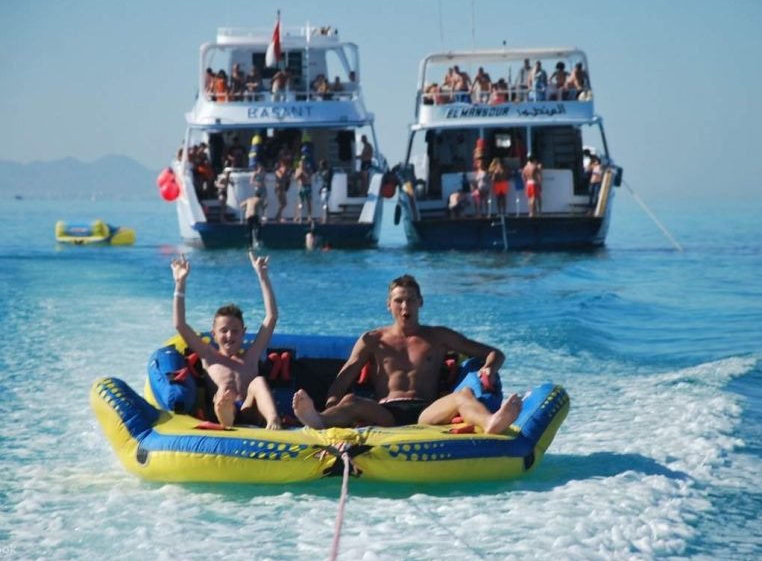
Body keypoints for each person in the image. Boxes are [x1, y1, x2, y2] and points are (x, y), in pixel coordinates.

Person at [291, 275, 522, 431]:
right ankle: (318, 420)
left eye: (410, 300)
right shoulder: (372, 340)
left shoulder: (439, 337)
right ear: (388, 305)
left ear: (420, 302)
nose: (405, 307)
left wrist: (490, 367)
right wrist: (332, 407)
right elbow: (342, 382)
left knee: (464, 395)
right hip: (385, 412)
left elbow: (495, 353)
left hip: (426, 411)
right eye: (398, 301)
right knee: (351, 400)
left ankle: (491, 422)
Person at [171, 252, 281, 429]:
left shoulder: (250, 356)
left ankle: (274, 421)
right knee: (223, 394)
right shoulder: (209, 356)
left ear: (243, 333)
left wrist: (263, 276)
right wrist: (180, 283)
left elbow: (272, 316)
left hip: (249, 410)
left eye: (235, 331)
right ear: (213, 334)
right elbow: (180, 324)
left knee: (258, 382)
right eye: (224, 331)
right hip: (221, 412)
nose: (230, 336)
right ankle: (227, 420)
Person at [294, 156, 313, 222]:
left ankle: (309, 216)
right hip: (301, 187)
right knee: (299, 202)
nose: (302, 164)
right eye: (301, 163)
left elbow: (308, 177)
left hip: (307, 186)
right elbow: (295, 178)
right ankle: (298, 216)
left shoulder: (308, 169)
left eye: (304, 163)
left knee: (308, 202)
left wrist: (304, 172)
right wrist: (300, 173)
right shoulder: (298, 169)